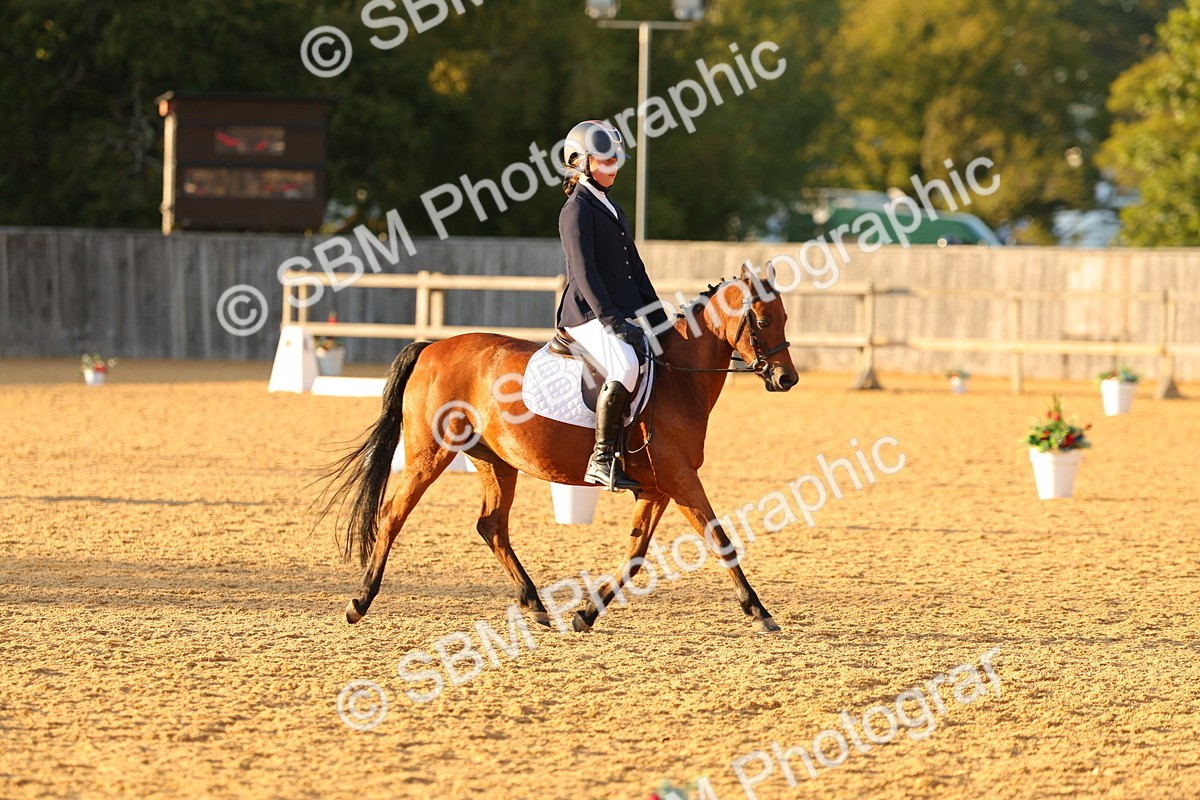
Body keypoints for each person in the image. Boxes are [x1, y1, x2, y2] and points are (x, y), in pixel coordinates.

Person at [555, 119, 667, 493]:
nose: (613, 168)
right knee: (626, 363)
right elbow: (584, 274)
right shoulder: (576, 210)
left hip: (620, 311)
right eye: (604, 161)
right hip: (588, 314)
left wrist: (659, 319)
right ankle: (601, 459)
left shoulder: (611, 207)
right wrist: (612, 321)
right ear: (580, 162)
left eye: (614, 160)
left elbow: (635, 270)